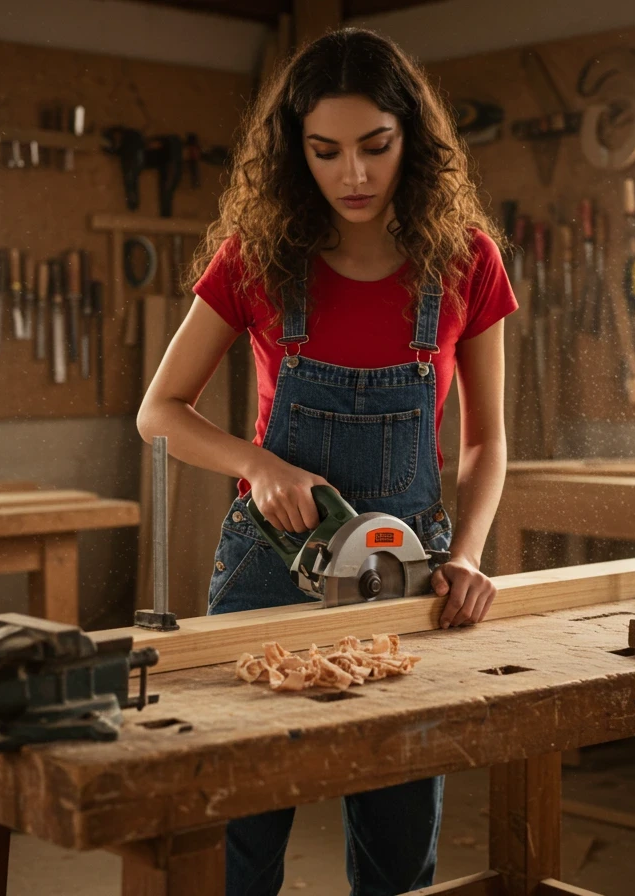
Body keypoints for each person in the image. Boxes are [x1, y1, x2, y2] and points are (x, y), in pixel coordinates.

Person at [136, 26, 516, 896]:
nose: (354, 175)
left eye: (376, 147)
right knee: (240, 836)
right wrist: (256, 463)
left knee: (397, 852)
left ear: (410, 140)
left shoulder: (466, 263)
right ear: (293, 151)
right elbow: (156, 413)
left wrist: (465, 558)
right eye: (326, 151)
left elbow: (487, 441)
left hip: (407, 574)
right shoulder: (259, 258)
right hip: (271, 571)